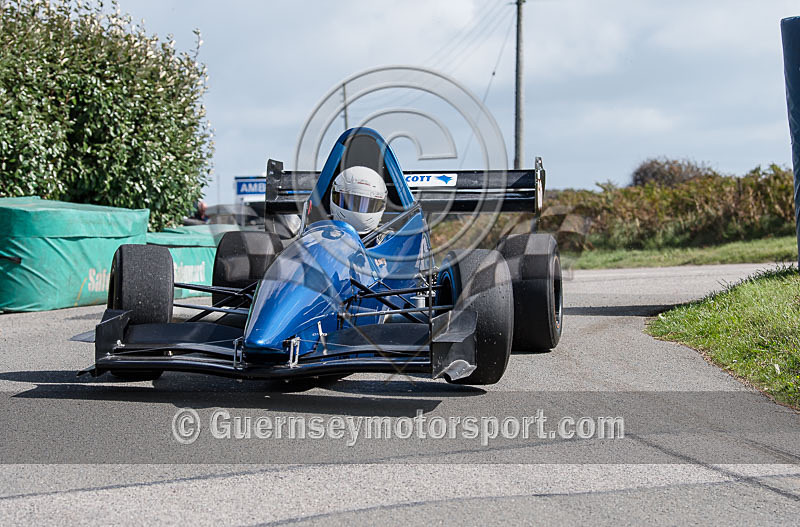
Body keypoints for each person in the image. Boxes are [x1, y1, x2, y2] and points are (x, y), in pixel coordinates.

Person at [329, 166, 387, 236]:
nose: (356, 208)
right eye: (348, 201)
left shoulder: (384, 239)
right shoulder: (323, 232)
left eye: (367, 204)